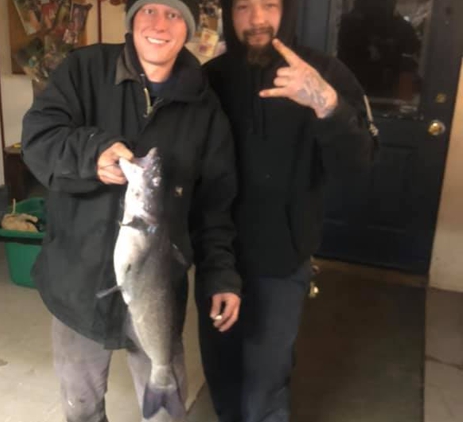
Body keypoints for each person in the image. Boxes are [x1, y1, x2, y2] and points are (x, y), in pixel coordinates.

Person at [20, 0, 242, 421]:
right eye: (150, 10)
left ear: (190, 27)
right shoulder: (84, 70)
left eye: (175, 14)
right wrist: (90, 156)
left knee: (166, 410)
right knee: (81, 406)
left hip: (158, 291)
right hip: (77, 282)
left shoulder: (206, 110)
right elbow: (37, 138)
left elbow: (216, 208)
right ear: (132, 19)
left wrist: (222, 274)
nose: (160, 24)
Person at [195, 0, 377, 421]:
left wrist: (327, 106)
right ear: (227, 13)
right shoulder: (209, 79)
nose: (257, 18)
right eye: (243, 6)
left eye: (270, 4)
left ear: (288, 10)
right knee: (220, 372)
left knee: (266, 380)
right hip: (216, 256)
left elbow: (362, 164)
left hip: (283, 260)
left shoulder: (326, 73)